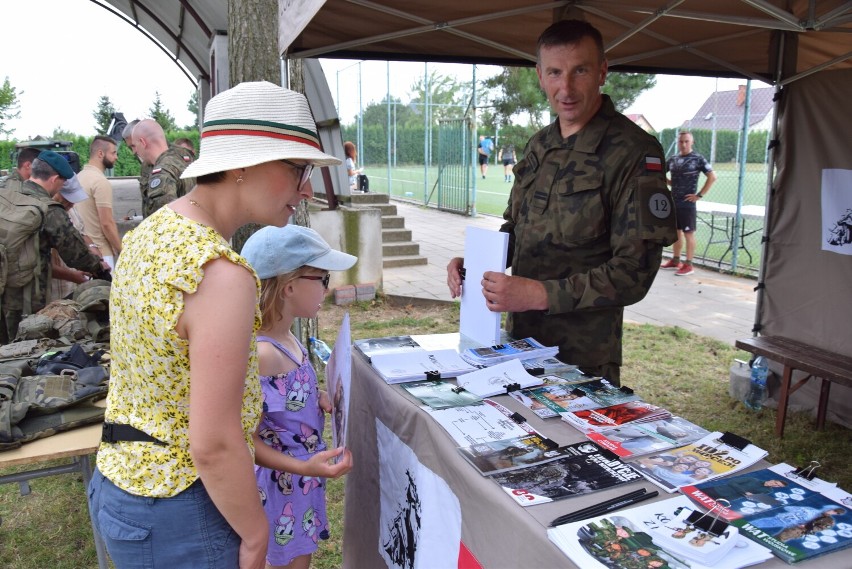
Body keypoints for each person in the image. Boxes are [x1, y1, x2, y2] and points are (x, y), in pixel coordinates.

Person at [87, 81, 341, 569]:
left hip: (125, 485)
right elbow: (214, 441)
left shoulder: (153, 232)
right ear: (245, 163)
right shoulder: (222, 274)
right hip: (184, 504)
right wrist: (254, 532)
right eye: (298, 169)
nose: (306, 188)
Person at [447, 19, 676, 385]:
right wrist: (477, 264)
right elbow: (519, 231)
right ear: (540, 75)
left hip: (581, 360)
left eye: (579, 71)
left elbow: (635, 272)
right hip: (517, 346)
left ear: (602, 72)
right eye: (555, 72)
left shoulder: (633, 152)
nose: (565, 88)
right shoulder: (539, 144)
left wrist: (540, 294)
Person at [241, 224, 356, 569]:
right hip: (280, 487)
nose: (327, 287)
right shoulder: (263, 355)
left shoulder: (288, 337)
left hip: (303, 480)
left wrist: (315, 396)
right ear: (289, 286)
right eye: (322, 278)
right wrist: (303, 466)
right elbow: (246, 438)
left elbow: (281, 400)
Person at [0, 151, 107, 343]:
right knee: (25, 345)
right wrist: (99, 267)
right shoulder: (49, 209)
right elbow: (76, 256)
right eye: (63, 183)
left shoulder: (7, 192)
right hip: (26, 293)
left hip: (3, 281)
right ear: (55, 179)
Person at [662, 131, 717, 276]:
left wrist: (699, 195)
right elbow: (660, 172)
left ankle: (689, 264)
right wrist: (668, 182)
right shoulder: (673, 159)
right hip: (674, 202)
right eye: (681, 141)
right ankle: (675, 260)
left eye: (686, 141)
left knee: (688, 234)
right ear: (678, 143)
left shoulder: (698, 159)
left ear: (692, 142)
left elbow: (712, 177)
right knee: (676, 233)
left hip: (688, 204)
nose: (683, 144)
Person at [50, 175, 102, 300]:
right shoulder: (46, 213)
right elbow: (43, 264)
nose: (71, 204)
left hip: (74, 288)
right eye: (67, 198)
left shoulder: (71, 209)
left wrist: (92, 248)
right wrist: (72, 276)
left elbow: (81, 233)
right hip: (53, 293)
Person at [74, 135, 122, 269]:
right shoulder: (100, 182)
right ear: (100, 153)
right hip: (102, 253)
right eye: (113, 153)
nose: (116, 157)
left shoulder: (79, 177)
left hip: (83, 251)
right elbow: (106, 223)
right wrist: (122, 250)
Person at [130, 119, 195, 217]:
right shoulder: (185, 158)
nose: (134, 151)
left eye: (134, 146)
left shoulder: (162, 173)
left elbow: (163, 222)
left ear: (143, 142)